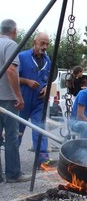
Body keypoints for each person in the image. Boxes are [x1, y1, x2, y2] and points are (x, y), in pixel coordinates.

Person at [18, 32, 56, 170]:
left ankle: (42, 159)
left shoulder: (47, 60)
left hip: (39, 101)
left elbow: (49, 78)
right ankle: (13, 158)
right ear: (34, 42)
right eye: (42, 43)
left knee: (39, 128)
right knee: (18, 129)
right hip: (23, 99)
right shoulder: (22, 56)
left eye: (47, 44)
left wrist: (47, 88)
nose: (45, 46)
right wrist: (26, 81)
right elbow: (13, 77)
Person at [0, 19, 31, 183]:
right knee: (12, 137)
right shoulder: (11, 45)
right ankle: (13, 174)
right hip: (8, 100)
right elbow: (11, 71)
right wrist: (18, 96)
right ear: (14, 31)